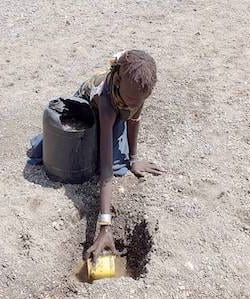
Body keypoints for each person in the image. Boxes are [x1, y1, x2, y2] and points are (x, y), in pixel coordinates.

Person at [28, 49, 165, 261]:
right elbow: (107, 172)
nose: (134, 104)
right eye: (131, 99)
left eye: (138, 100)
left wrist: (134, 160)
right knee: (84, 161)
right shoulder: (106, 102)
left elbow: (134, 119)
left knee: (122, 165)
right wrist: (104, 226)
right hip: (90, 112)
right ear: (118, 80)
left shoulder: (136, 91)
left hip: (115, 113)